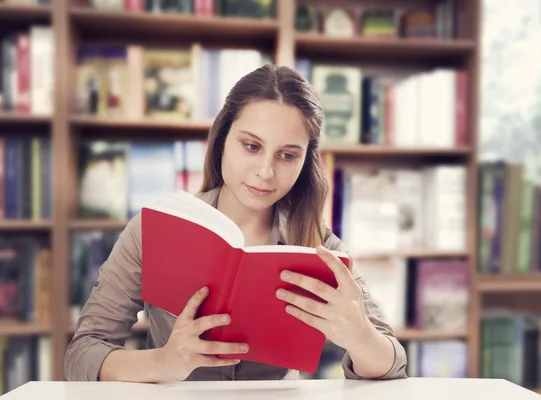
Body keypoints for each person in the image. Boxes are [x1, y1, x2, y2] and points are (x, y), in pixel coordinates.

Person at [64, 64, 408, 382]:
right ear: (223, 141)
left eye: (287, 155)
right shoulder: (151, 231)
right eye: (251, 146)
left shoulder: (321, 247)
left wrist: (360, 337)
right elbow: (82, 354)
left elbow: (394, 364)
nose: (266, 172)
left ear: (305, 162)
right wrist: (165, 361)